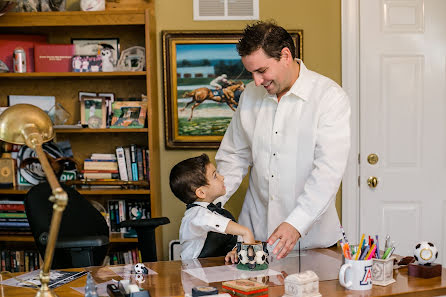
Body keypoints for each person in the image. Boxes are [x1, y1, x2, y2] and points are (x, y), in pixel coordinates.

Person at [215, 21, 351, 262]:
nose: (256, 81)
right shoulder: (249, 95)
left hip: (313, 242)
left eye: (262, 71)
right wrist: (211, 206)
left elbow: (328, 172)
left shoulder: (329, 97)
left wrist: (296, 224)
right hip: (255, 238)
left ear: (285, 56)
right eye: (251, 73)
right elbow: (233, 157)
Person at [169, 153, 255, 260]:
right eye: (215, 176)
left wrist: (234, 251)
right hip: (194, 272)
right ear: (201, 192)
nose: (222, 177)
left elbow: (231, 237)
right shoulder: (196, 215)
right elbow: (215, 222)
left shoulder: (218, 211)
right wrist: (245, 231)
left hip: (213, 270)